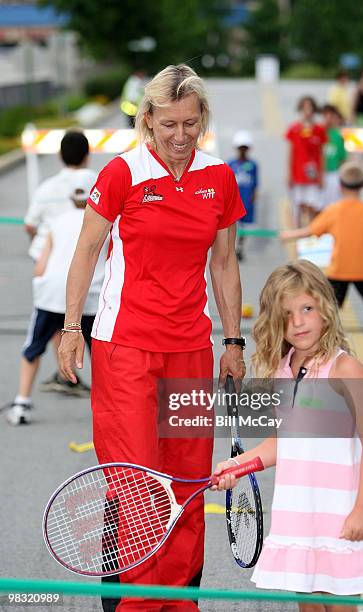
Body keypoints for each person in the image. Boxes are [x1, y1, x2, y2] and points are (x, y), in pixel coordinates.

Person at [57, 64, 246, 611]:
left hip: (191, 346)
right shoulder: (123, 173)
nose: (181, 135)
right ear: (148, 122)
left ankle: (178, 599)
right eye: (169, 125)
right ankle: (132, 604)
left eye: (190, 123)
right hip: (126, 347)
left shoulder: (219, 178)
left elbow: (226, 263)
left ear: (202, 120)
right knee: (136, 482)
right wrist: (73, 327)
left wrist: (233, 343)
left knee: (187, 481)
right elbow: (87, 250)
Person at [214, 260, 363, 608]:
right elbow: (281, 442)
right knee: (307, 602)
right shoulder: (283, 369)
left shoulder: (344, 368)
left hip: (338, 513)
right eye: (287, 314)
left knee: (339, 602)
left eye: (307, 308)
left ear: (325, 307)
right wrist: (237, 465)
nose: (298, 321)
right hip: (298, 513)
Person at [7, 172, 106, 426]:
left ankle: (21, 401)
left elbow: (40, 266)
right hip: (91, 296)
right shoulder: (106, 221)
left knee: (33, 347)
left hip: (52, 295)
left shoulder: (57, 221)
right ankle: (109, 409)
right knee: (102, 356)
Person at [24, 130, 97, 396]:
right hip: (92, 266)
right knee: (92, 330)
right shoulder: (100, 182)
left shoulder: (46, 188)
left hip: (52, 263)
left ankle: (67, 373)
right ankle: (100, 386)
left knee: (55, 319)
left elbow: (30, 225)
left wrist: (43, 242)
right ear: (88, 155)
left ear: (59, 156)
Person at [281, 162, 363, 309]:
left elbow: (310, 231)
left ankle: (327, 332)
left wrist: (288, 235)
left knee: (327, 307)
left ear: (340, 185)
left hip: (339, 269)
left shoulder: (334, 210)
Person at [285, 96, 327, 227]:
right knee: (298, 207)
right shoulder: (294, 129)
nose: (307, 111)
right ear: (301, 109)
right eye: (305, 108)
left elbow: (321, 154)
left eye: (310, 108)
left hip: (313, 176)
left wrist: (321, 176)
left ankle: (311, 236)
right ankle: (298, 236)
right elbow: (290, 153)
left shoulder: (319, 130)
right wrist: (289, 174)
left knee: (313, 206)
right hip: (298, 175)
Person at [228, 130, 258, 261]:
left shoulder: (253, 165)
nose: (243, 151)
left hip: (246, 201)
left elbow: (256, 184)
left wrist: (253, 197)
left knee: (244, 226)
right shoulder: (231, 164)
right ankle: (231, 247)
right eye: (241, 148)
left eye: (245, 148)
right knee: (233, 225)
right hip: (234, 200)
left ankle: (240, 247)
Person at [321, 104, 347, 209]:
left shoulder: (338, 136)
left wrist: (341, 177)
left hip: (333, 174)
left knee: (333, 205)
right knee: (318, 205)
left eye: (331, 116)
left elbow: (342, 159)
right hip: (320, 174)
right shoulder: (319, 132)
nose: (328, 119)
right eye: (325, 116)